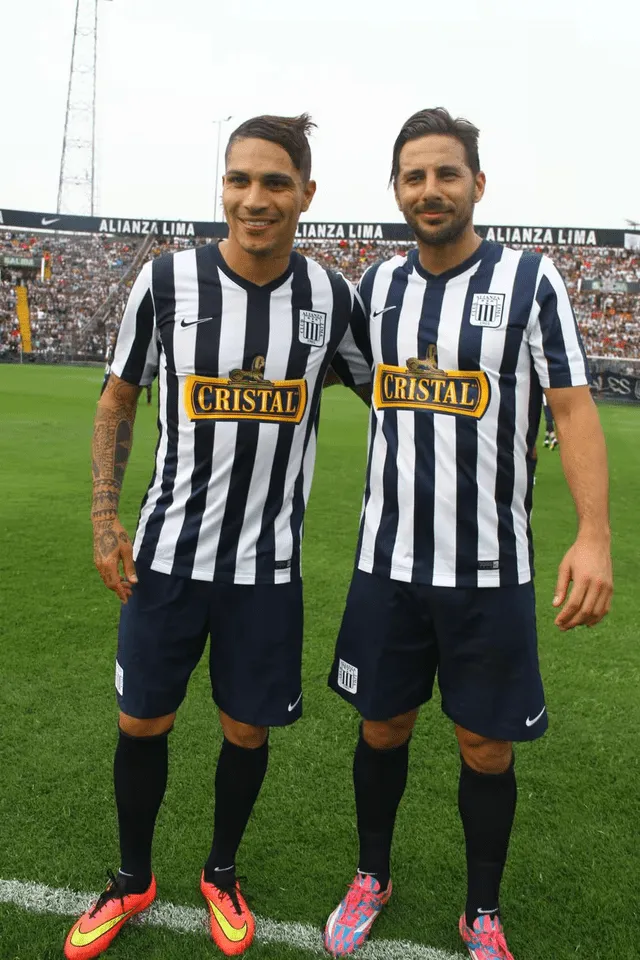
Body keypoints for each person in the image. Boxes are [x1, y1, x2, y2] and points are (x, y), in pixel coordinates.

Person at [64, 113, 370, 960]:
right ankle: (132, 879)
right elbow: (119, 398)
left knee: (246, 730)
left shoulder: (332, 298)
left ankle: (221, 871)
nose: (254, 198)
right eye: (239, 179)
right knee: (141, 723)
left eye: (275, 182)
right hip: (166, 558)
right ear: (221, 185)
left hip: (266, 571)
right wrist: (102, 516)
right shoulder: (165, 283)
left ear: (307, 194)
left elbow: (397, 392)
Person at [323, 107, 613, 960]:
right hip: (388, 563)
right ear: (397, 190)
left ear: (477, 184)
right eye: (413, 176)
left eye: (446, 173)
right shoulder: (374, 291)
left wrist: (593, 535)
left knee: (484, 746)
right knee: (382, 726)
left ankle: (480, 909)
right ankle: (371, 875)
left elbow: (572, 406)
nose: (430, 190)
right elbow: (337, 372)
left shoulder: (531, 281)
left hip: (491, 569)